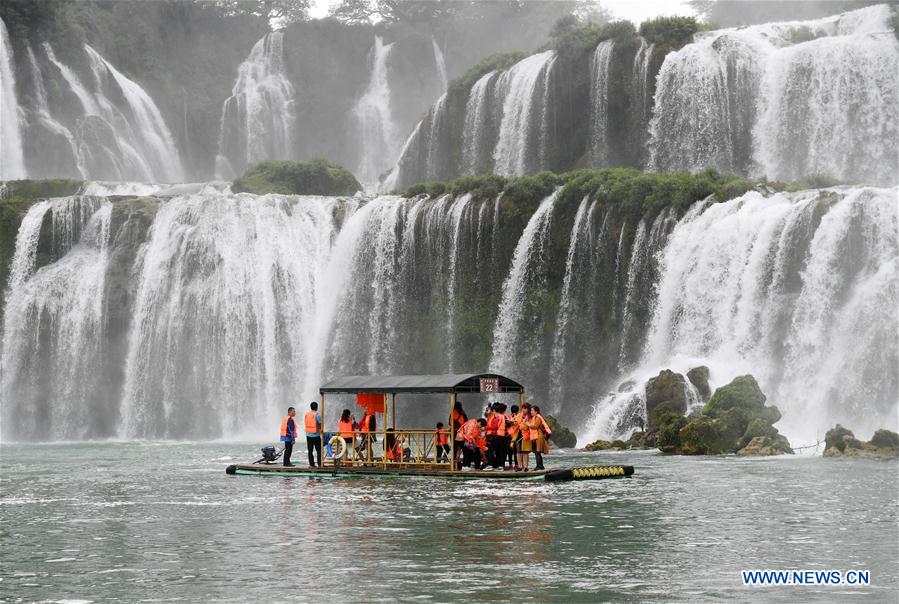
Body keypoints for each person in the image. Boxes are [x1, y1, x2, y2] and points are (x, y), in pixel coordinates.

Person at [528, 405, 553, 470]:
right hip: (535, 436)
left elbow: (536, 426)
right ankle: (540, 465)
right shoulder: (534, 417)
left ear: (536, 411)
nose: (531, 412)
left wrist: (529, 425)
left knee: (537, 452)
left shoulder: (538, 418)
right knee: (536, 452)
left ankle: (539, 466)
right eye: (531, 410)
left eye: (532, 410)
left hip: (538, 436)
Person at [305, 401, 322, 467]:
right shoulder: (317, 415)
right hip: (316, 435)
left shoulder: (307, 414)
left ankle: (311, 464)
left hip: (308, 435)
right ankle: (319, 463)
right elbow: (320, 424)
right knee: (318, 450)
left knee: (310, 450)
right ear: (317, 407)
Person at [517, 403, 532, 471]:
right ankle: (520, 466)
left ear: (528, 409)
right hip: (518, 433)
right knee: (518, 450)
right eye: (523, 408)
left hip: (526, 435)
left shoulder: (530, 416)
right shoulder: (520, 414)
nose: (524, 410)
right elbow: (517, 422)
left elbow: (530, 426)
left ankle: (526, 466)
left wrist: (523, 424)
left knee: (525, 451)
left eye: (526, 408)